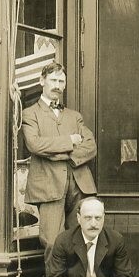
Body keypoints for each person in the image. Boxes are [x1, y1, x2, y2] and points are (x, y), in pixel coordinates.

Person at [21, 62, 97, 250]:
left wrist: (63, 156)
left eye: (61, 81)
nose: (57, 85)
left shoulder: (74, 116)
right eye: (53, 80)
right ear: (42, 81)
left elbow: (91, 146)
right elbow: (35, 144)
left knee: (83, 241)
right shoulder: (30, 114)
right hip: (49, 185)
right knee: (53, 242)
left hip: (80, 185)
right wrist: (70, 140)